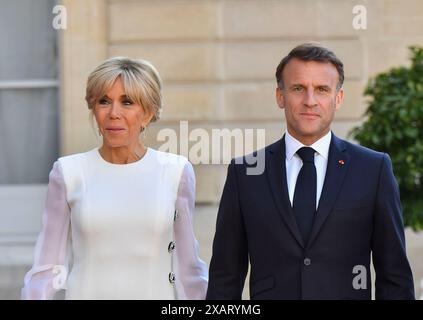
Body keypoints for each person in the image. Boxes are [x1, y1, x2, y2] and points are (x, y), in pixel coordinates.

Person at [206, 43, 415, 300]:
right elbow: (225, 277)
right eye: (298, 88)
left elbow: (394, 276)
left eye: (322, 90)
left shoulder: (374, 169)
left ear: (338, 98)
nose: (310, 101)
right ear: (280, 96)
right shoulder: (245, 173)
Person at [22, 57, 208, 299]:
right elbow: (46, 269)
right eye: (104, 101)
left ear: (148, 113)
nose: (113, 113)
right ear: (94, 109)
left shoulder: (176, 172)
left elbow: (188, 269)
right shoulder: (68, 172)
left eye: (127, 102)